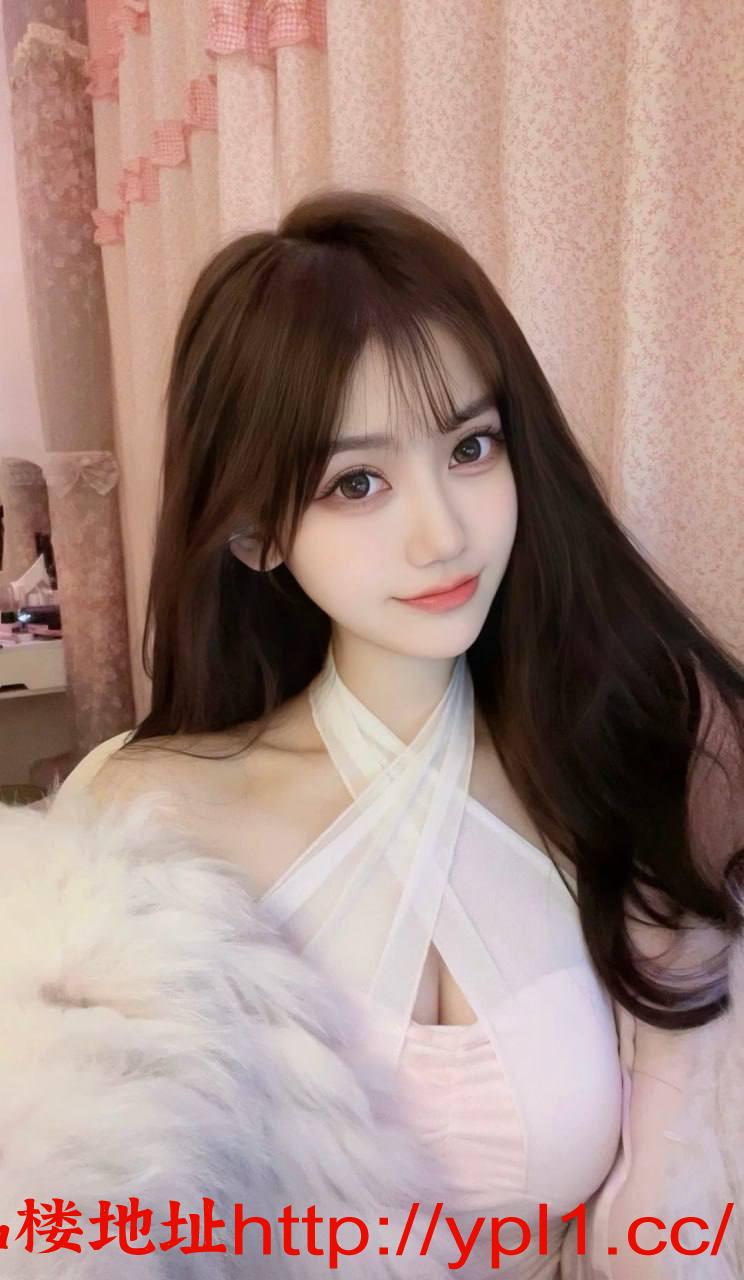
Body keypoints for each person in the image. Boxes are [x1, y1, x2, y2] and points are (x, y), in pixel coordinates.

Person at [21, 188, 744, 1276]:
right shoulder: (147, 823)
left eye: (471, 446)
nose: (442, 533)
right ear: (257, 531)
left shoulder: (603, 773)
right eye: (356, 481)